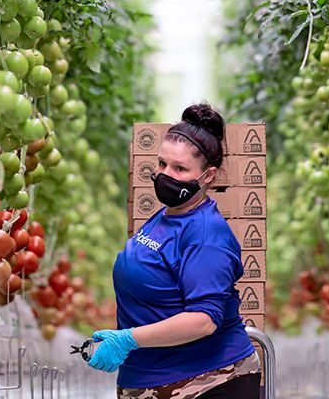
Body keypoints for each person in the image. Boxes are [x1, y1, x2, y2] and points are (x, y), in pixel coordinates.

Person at [85, 103, 260, 399]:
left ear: (207, 175)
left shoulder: (206, 235)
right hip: (153, 379)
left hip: (204, 383)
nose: (166, 174)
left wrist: (128, 339)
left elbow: (204, 319)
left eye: (180, 168)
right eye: (162, 164)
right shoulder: (167, 215)